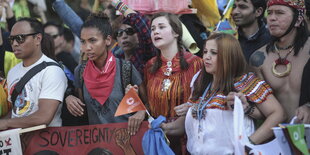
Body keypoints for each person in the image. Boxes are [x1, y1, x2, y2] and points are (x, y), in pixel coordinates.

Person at [179, 32, 284, 154]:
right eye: (205, 51)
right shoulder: (200, 81)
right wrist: (163, 127)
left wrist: (248, 144)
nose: (206, 57)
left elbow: (278, 114)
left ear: (228, 56)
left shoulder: (245, 82)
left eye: (213, 53)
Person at [65, 12, 146, 135]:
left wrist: (141, 112)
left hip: (128, 142)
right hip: (98, 145)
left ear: (107, 40)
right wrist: (69, 97)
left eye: (92, 41)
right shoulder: (80, 72)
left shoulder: (125, 68)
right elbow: (83, 112)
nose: (87, 47)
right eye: (83, 42)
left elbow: (148, 104)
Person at [144, 12, 203, 154]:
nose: (156, 31)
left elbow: (205, 99)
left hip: (188, 140)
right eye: (152, 29)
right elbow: (147, 103)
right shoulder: (149, 66)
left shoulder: (195, 63)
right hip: (158, 139)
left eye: (161, 27)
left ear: (176, 32)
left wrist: (191, 106)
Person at [0, 17, 67, 129]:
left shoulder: (52, 71)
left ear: (38, 38)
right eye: (11, 39)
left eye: (20, 38)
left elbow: (44, 117)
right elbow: (15, 112)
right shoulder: (13, 72)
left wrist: (6, 123)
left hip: (46, 143)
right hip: (18, 143)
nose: (15, 44)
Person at [249, 0, 310, 123]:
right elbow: (263, 111)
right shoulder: (258, 59)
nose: (272, 18)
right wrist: (246, 108)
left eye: (279, 13)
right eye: (269, 13)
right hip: (277, 136)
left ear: (298, 19)